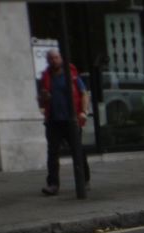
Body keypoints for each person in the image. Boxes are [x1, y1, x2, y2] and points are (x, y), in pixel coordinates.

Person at [38, 49, 91, 196]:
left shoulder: (72, 75)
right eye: (51, 58)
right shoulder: (46, 77)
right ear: (48, 61)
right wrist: (44, 99)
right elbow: (42, 100)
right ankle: (53, 184)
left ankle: (84, 180)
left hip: (71, 120)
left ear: (61, 58)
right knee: (52, 154)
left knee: (78, 151)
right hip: (53, 120)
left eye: (56, 57)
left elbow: (84, 93)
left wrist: (84, 112)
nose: (54, 60)